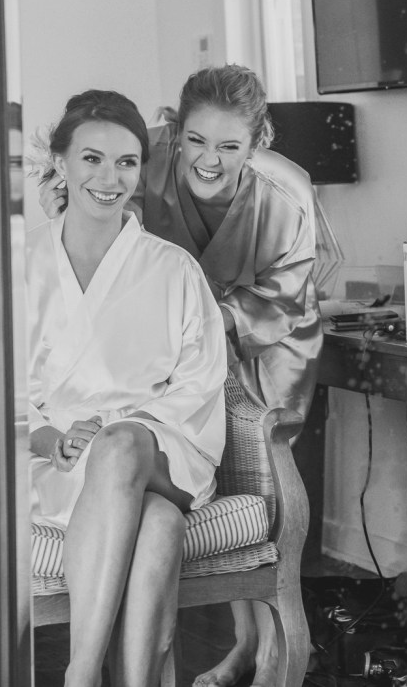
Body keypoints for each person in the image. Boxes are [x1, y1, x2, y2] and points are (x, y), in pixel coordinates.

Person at [41, 64, 322, 687]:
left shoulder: (286, 196)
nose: (208, 160)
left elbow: (287, 293)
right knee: (158, 515)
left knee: (253, 466)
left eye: (229, 146)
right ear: (175, 131)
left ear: (257, 143)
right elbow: (104, 238)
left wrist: (199, 317)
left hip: (263, 330)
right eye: (195, 140)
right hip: (157, 345)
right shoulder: (137, 159)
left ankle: (256, 650)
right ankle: (196, 658)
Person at [28, 89, 228, 687]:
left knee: (119, 446)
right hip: (56, 463)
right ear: (60, 162)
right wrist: (51, 438)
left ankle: (81, 674)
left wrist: (125, 428)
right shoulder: (16, 265)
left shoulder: (173, 268)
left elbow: (200, 380)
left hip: (164, 449)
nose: (109, 178)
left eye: (126, 162)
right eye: (92, 159)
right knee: (159, 523)